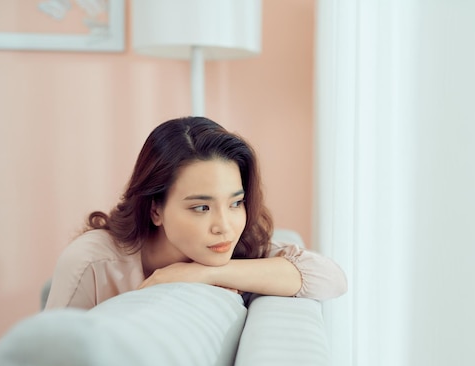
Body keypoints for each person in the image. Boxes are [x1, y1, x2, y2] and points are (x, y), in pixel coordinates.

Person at [45, 116, 347, 309]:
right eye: (201, 207)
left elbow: (331, 278)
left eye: (235, 203)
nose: (224, 227)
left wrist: (203, 272)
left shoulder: (236, 248)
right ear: (156, 210)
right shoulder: (91, 262)